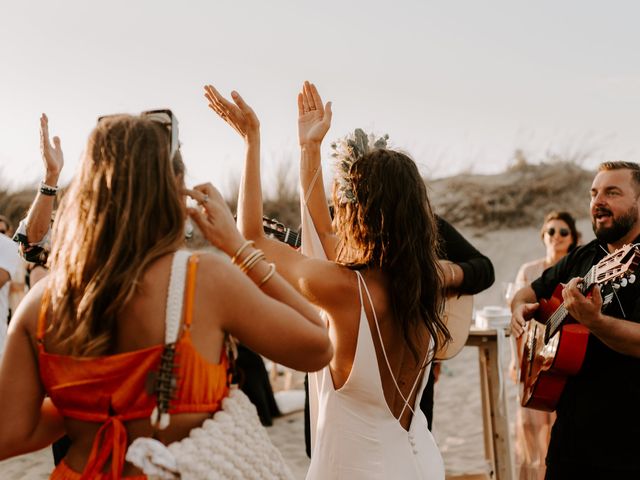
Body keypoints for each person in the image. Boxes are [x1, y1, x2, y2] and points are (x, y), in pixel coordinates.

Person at [0, 112, 332, 478]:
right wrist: (239, 247)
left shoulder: (41, 302)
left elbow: (11, 434)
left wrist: (93, 401)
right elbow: (317, 344)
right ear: (175, 188)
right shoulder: (203, 279)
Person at [202, 82, 449, 479]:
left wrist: (252, 141)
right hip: (419, 463)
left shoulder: (342, 290)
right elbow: (322, 233)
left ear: (357, 213)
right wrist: (309, 149)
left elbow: (252, 237)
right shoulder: (419, 283)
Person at [511, 161, 640, 479]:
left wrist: (593, 321)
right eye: (594, 193)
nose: (598, 201)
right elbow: (528, 292)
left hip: (629, 449)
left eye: (612, 192)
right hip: (570, 445)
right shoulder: (583, 256)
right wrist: (519, 310)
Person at [510, 210, 578, 480]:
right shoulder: (529, 271)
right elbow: (518, 316)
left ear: (572, 238)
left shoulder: (577, 271)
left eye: (563, 232)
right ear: (543, 236)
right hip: (532, 357)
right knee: (530, 427)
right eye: (551, 231)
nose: (556, 237)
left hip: (565, 359)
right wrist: (518, 362)